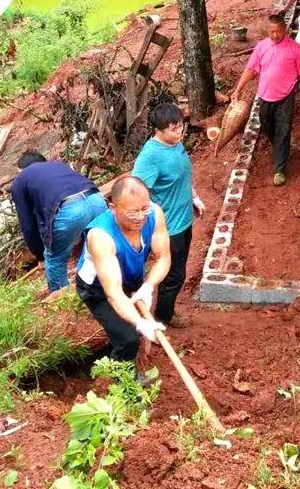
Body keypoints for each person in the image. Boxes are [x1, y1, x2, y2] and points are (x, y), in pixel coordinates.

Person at [74, 177, 170, 382]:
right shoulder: (100, 236)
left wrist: (149, 287)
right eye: (132, 212)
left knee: (129, 326)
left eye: (144, 208)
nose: (140, 217)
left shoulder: (154, 214)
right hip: (97, 288)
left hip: (130, 277)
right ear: (113, 208)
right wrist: (140, 323)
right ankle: (121, 383)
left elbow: (163, 257)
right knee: (128, 338)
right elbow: (114, 292)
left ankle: (121, 357)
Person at [131, 103, 205, 328]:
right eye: (174, 129)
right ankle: (163, 317)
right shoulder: (150, 156)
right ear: (159, 130)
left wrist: (194, 197)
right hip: (169, 227)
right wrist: (153, 217)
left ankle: (163, 310)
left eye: (181, 126)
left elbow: (183, 175)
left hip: (184, 220)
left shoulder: (176, 145)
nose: (180, 132)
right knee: (173, 275)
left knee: (177, 270)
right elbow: (137, 192)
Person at [232, 15, 300, 187]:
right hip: (265, 96)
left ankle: (279, 169)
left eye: (278, 32)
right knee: (268, 127)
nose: (275, 35)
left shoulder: (294, 48)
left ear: (285, 30)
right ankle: (280, 148)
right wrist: (238, 89)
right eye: (271, 32)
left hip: (286, 97)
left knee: (283, 130)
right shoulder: (261, 47)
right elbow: (250, 70)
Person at [11, 151, 108, 294]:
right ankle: (108, 284)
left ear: (21, 170)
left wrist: (40, 255)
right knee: (100, 246)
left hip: (70, 210)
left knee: (55, 258)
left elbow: (28, 225)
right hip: (97, 199)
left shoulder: (20, 180)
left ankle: (61, 297)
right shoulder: (57, 165)